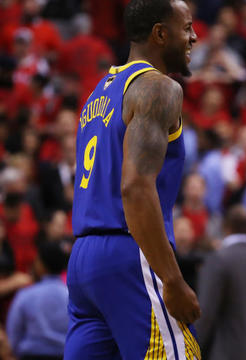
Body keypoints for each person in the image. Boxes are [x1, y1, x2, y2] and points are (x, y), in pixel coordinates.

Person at [64, 0, 201, 358]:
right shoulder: (158, 88)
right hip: (129, 251)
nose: (194, 37)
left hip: (83, 259)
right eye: (186, 28)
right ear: (160, 33)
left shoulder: (98, 93)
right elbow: (135, 187)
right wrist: (172, 280)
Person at [195, 205, 246, 360]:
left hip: (224, 352)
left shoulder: (218, 259)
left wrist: (193, 349)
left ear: (226, 227)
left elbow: (206, 313)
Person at [6, 241, 68, 360]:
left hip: (31, 355)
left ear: (41, 265)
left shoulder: (26, 295)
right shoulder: (70, 295)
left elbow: (13, 333)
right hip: (65, 355)